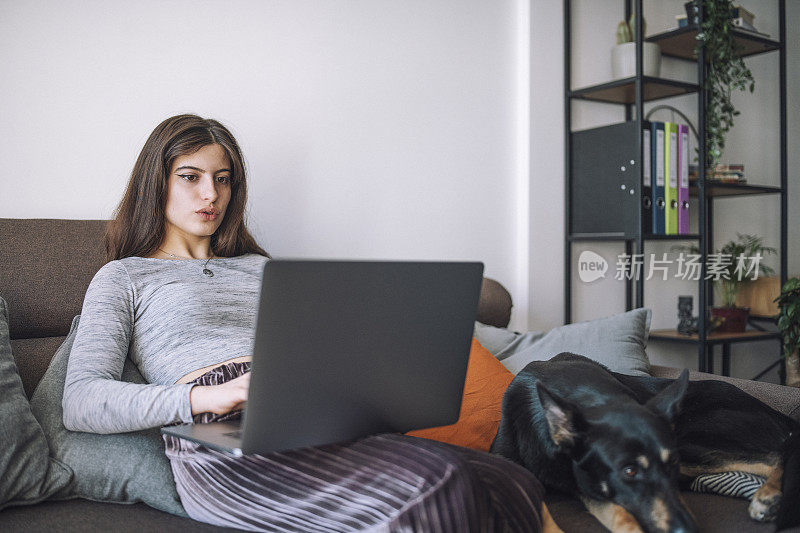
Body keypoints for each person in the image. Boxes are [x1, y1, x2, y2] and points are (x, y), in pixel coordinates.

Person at [63, 114, 545, 532]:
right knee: (444, 481)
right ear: (157, 182)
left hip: (314, 415)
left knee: (510, 480)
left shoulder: (261, 267)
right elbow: (81, 400)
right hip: (220, 438)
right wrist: (205, 396)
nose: (211, 194)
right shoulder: (124, 276)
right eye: (190, 176)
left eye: (223, 178)